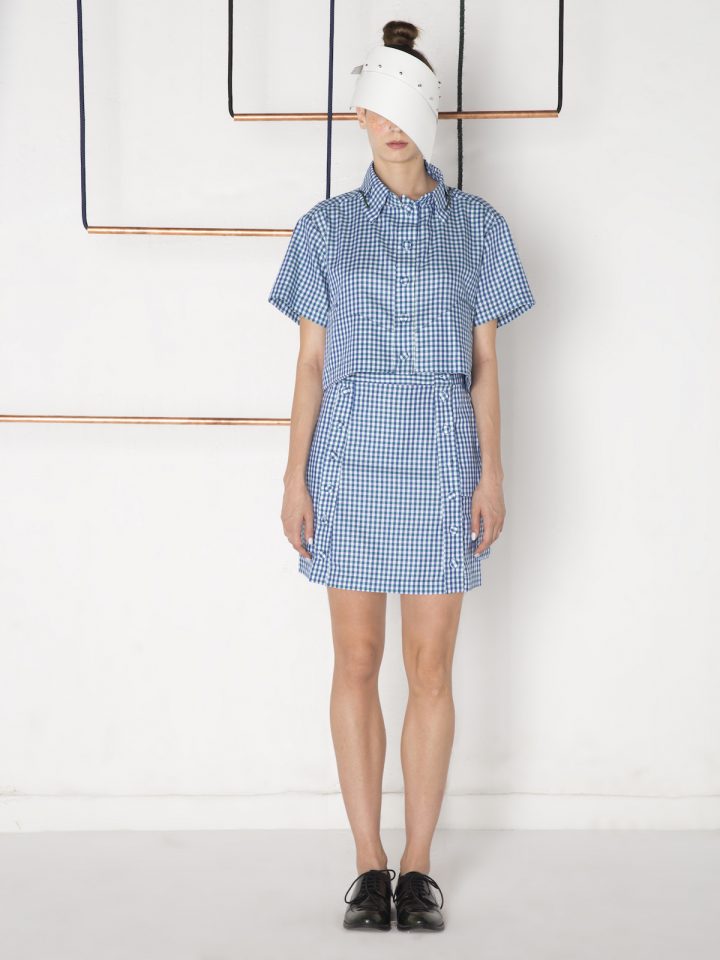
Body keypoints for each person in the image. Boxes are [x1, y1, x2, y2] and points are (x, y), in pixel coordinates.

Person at [268, 20, 535, 932]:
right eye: (374, 110)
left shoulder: (479, 229)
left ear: (430, 111)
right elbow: (310, 366)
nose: (391, 127)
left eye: (404, 108)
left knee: (430, 667)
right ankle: (367, 863)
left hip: (442, 463)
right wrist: (295, 476)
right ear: (358, 115)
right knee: (355, 659)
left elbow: (486, 365)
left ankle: (418, 866)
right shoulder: (325, 229)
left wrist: (492, 474)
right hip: (347, 462)